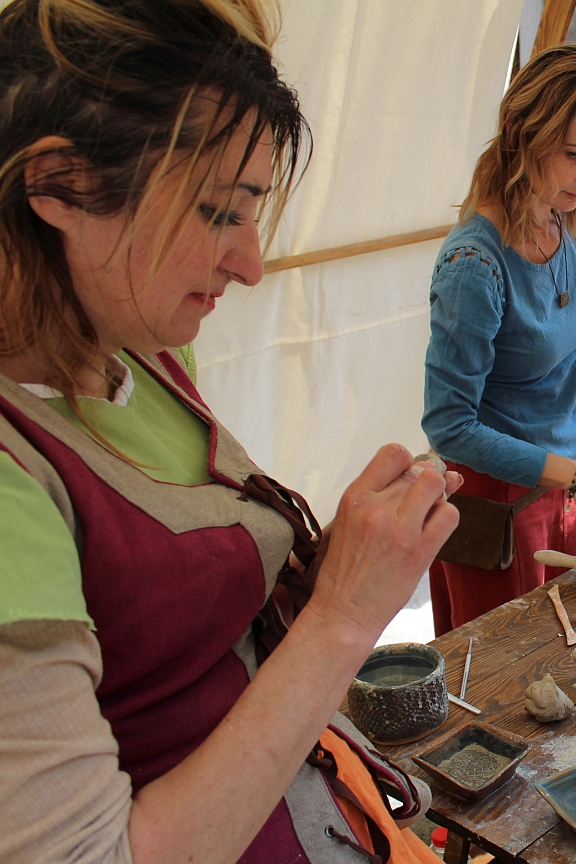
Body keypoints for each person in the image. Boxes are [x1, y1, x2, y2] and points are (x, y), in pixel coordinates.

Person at [0, 2, 459, 861]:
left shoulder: (142, 354)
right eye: (218, 212)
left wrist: (333, 565)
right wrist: (345, 615)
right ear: (60, 187)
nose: (250, 263)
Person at [422, 44, 576, 632]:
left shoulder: (561, 221)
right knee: (513, 678)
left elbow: (551, 344)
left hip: (560, 490)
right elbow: (450, 426)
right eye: (575, 153)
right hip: (495, 510)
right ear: (522, 136)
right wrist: (574, 476)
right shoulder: (474, 265)